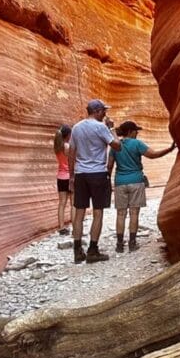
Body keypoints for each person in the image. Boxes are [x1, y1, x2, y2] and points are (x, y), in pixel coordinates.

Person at [107, 120, 176, 252]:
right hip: (136, 181)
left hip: (120, 182)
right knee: (134, 213)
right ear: (131, 132)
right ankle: (132, 243)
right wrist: (170, 149)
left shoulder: (115, 146)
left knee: (120, 214)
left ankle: (120, 245)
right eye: (136, 131)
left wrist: (107, 180)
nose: (137, 133)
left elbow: (109, 166)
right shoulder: (137, 144)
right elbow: (153, 155)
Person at [67, 99, 121, 263]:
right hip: (98, 174)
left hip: (81, 174)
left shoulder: (76, 127)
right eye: (104, 110)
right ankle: (92, 250)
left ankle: (77, 251)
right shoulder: (101, 127)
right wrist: (111, 129)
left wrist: (71, 176)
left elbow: (72, 153)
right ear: (97, 111)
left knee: (79, 213)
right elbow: (117, 146)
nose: (105, 113)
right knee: (98, 213)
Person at [53, 125, 73, 235]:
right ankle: (75, 226)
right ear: (68, 135)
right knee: (73, 203)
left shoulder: (58, 147)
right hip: (69, 177)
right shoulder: (67, 146)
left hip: (60, 176)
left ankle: (61, 227)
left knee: (62, 203)